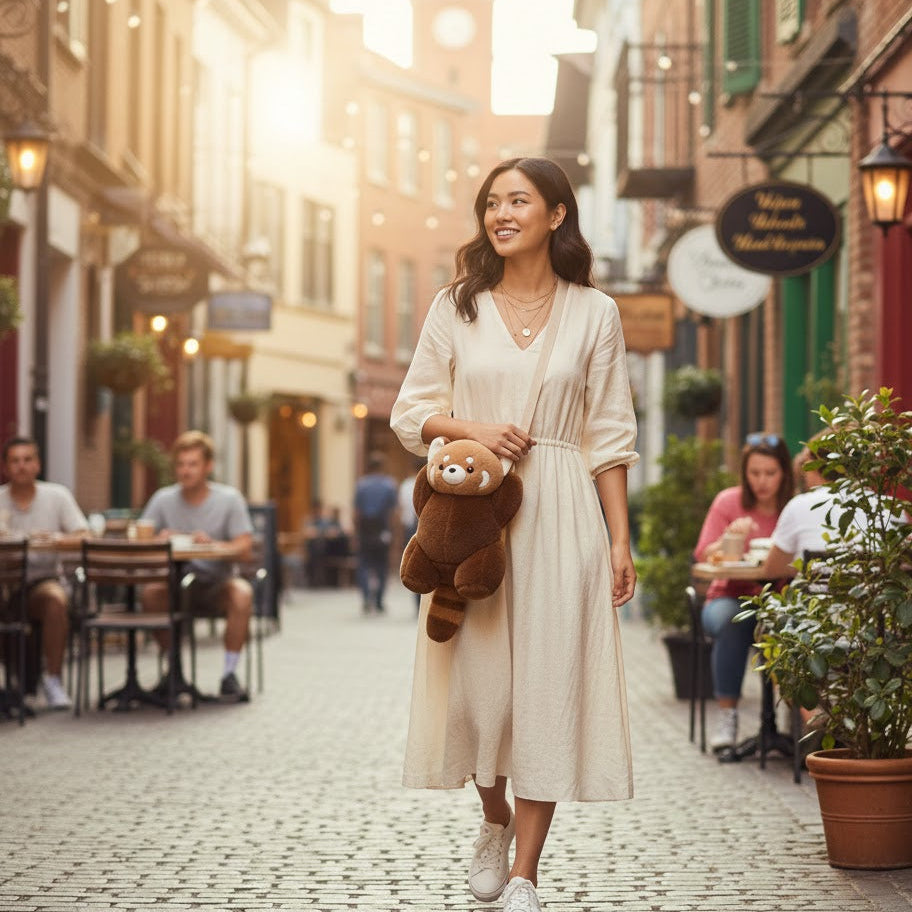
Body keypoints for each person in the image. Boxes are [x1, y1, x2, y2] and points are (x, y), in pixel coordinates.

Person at [390, 157, 637, 912]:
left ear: (556, 214)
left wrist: (619, 541)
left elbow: (610, 435)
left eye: (518, 201)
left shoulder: (596, 312)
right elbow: (410, 416)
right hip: (476, 516)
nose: (501, 213)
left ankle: (527, 872)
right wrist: (472, 427)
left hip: (563, 510)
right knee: (478, 694)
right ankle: (492, 819)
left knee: (548, 690)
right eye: (492, 202)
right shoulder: (454, 307)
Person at [694, 432, 794, 752]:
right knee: (733, 620)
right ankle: (728, 717)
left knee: (799, 625)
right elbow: (702, 555)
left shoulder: (794, 507)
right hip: (728, 596)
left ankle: (805, 720)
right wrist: (728, 540)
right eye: (754, 473)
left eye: (770, 473)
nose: (762, 482)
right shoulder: (729, 502)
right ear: (744, 473)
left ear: (784, 474)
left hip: (782, 598)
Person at [139, 431, 253, 702]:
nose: (185, 470)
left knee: (242, 593)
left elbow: (244, 547)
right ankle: (174, 669)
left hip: (214, 584)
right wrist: (159, 539)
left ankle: (229, 674)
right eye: (180, 464)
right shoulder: (163, 499)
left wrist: (212, 545)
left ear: (208, 466)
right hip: (174, 584)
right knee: (150, 593)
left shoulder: (229, 499)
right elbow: (142, 541)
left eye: (192, 464)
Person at [0, 436, 88, 709]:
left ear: (38, 465)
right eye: (15, 461)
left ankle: (53, 681)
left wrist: (54, 539)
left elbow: (85, 535)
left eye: (27, 460)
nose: (21, 466)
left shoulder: (57, 496)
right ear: (5, 468)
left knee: (55, 600)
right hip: (3, 583)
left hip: (41, 581)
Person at [353, 452, 398, 614]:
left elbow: (356, 512)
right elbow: (393, 513)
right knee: (382, 566)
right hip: (382, 529)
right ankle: (378, 601)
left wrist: (356, 533)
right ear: (382, 467)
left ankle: (366, 598)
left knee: (364, 564)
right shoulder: (389, 485)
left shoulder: (361, 485)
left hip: (365, 530)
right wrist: (393, 533)